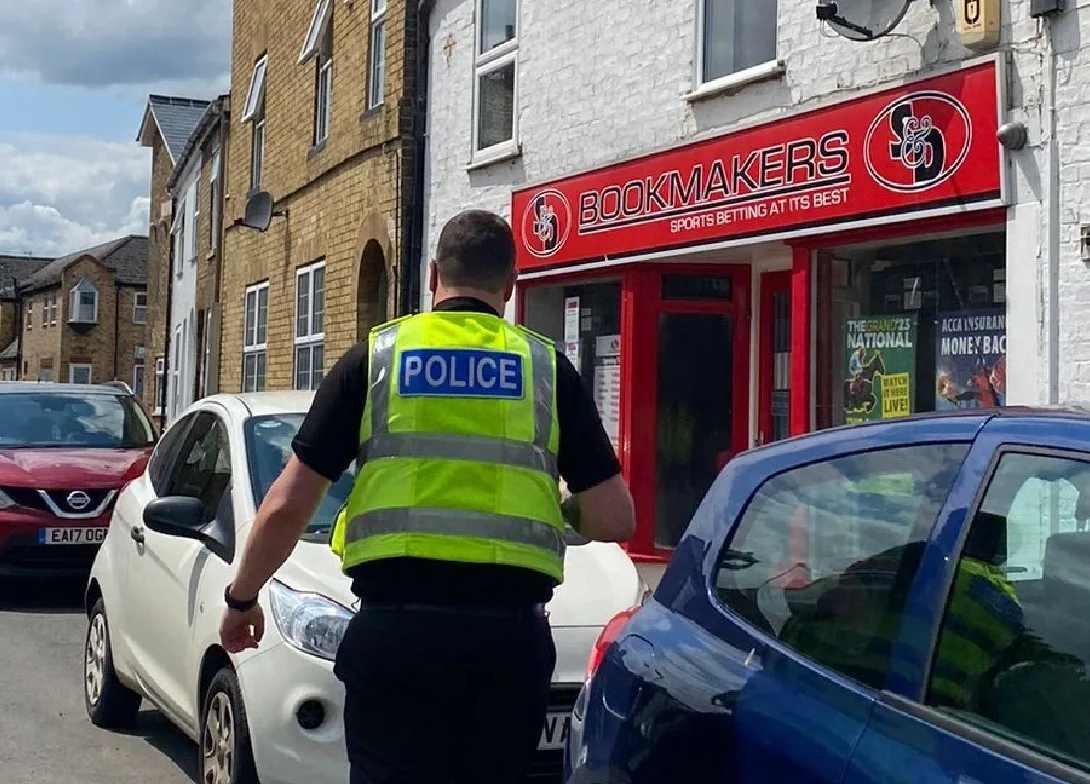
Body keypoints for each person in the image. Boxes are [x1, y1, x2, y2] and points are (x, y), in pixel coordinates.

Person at [218, 209, 636, 784]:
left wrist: (242, 599)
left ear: (433, 274)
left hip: (397, 639)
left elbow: (289, 503)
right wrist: (558, 504)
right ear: (510, 287)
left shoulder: (376, 359)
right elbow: (616, 517)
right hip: (507, 646)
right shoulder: (546, 369)